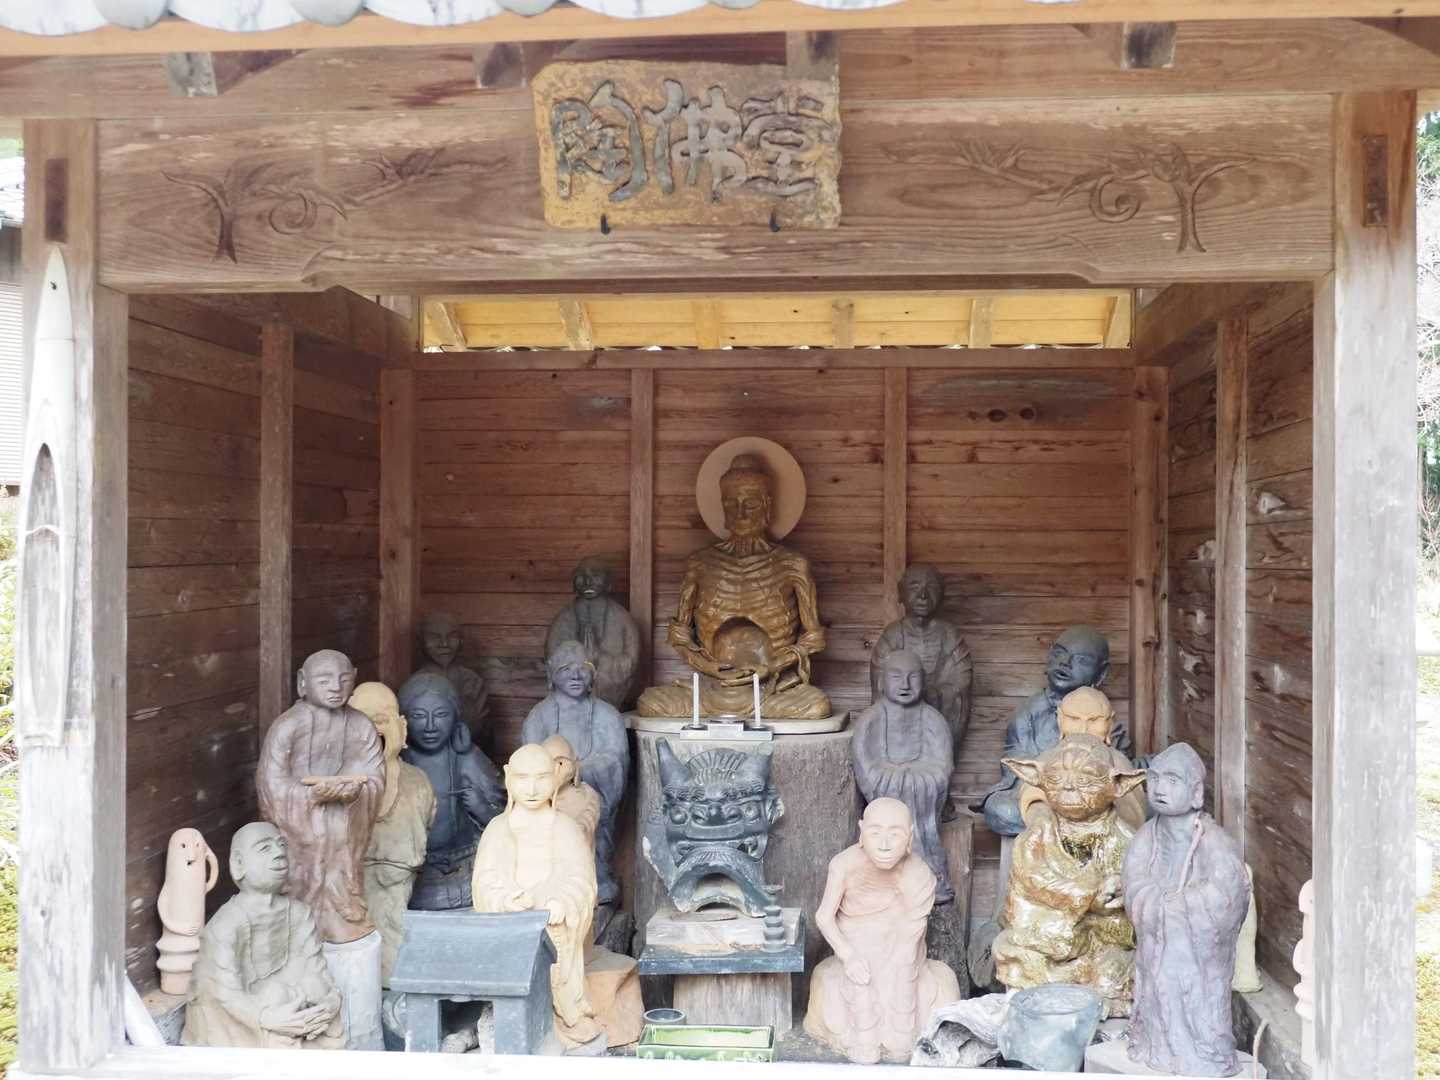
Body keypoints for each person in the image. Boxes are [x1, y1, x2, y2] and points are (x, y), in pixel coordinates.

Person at [637, 452, 829, 720]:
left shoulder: (792, 564)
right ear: (722, 508)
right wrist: (707, 667)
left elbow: (814, 638)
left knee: (817, 706)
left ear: (767, 506)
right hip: (711, 689)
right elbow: (680, 635)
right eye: (731, 503)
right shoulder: (700, 564)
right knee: (650, 703)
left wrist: (773, 665)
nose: (741, 512)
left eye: (750, 503)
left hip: (770, 689)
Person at [1123, 743, 1249, 1076]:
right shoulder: (1147, 836)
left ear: (1196, 793)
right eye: (1154, 778)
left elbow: (1226, 894)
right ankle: (1156, 1047)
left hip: (1196, 955)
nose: (1159, 788)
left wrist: (1179, 905)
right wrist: (1155, 902)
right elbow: (1133, 881)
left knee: (1198, 1004)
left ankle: (1204, 1056)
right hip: (1156, 945)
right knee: (1156, 992)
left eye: (1172, 780)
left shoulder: (1214, 840)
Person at [804, 799, 960, 1064]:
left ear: (910, 836)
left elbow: (913, 929)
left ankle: (901, 1037)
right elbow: (824, 916)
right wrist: (848, 955)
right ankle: (863, 1039)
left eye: (895, 834)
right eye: (875, 833)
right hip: (854, 938)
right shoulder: (843, 865)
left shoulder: (918, 872)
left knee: (901, 972)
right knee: (861, 973)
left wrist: (901, 962)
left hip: (901, 940)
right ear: (861, 831)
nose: (884, 844)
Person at [473, 744, 601, 1047]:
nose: (531, 789)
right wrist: (504, 900)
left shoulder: (566, 827)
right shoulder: (498, 828)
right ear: (508, 777)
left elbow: (581, 879)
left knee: (556, 974)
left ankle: (561, 1018)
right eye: (522, 778)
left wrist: (561, 902)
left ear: (556, 776)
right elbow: (485, 881)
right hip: (512, 926)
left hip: (555, 928)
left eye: (542, 778)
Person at [256, 649, 384, 944]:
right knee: (300, 883)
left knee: (342, 866)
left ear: (354, 678)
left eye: (344, 679)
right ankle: (301, 920)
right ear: (302, 682)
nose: (336, 687)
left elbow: (375, 777)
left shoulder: (362, 726)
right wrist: (311, 796)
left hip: (343, 830)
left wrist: (356, 792)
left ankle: (342, 917)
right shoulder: (287, 726)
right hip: (302, 831)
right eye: (324, 680)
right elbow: (270, 787)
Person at [183, 822, 344, 1049]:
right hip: (237, 1010)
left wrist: (330, 1002)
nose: (279, 853)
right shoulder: (225, 925)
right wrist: (266, 1018)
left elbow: (315, 969)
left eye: (281, 845)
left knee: (314, 988)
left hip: (283, 997)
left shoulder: (299, 913)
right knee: (276, 997)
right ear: (239, 864)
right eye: (264, 848)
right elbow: (223, 992)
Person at [976, 625, 1124, 836]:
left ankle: (1059, 828)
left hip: (1091, 801)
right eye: (1059, 654)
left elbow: (1120, 772)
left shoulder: (1105, 718)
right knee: (1000, 809)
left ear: (1101, 673)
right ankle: (1063, 827)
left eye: (1081, 660)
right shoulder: (1028, 712)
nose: (1065, 663)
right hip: (1041, 797)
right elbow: (1014, 767)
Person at [521, 641, 630, 906]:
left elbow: (616, 759)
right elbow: (530, 761)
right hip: (550, 798)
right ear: (550, 673)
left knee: (590, 817)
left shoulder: (608, 715)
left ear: (594, 673)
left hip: (593, 794)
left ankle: (597, 878)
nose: (576, 675)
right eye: (566, 668)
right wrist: (557, 781)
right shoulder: (538, 716)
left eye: (584, 668)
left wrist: (578, 773)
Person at [851, 649, 955, 902]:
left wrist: (916, 779)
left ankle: (924, 874)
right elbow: (864, 764)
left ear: (924, 682)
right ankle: (886, 879)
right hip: (884, 787)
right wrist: (893, 779)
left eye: (913, 677)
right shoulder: (870, 719)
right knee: (890, 812)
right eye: (896, 677)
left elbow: (943, 765)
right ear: (881, 682)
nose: (905, 685)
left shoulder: (933, 719)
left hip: (922, 793)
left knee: (913, 789)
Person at [351, 682, 437, 985]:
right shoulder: (338, 784)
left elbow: (427, 823)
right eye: (363, 720)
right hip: (351, 896)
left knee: (394, 947)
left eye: (381, 719)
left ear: (401, 727)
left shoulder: (417, 783)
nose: (373, 729)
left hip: (396, 892)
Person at [398, 672, 505, 910]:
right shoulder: (398, 762)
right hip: (411, 871)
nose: (430, 726)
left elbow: (504, 820)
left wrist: (480, 806)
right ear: (402, 719)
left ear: (456, 716)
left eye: (441, 715)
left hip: (463, 865)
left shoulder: (468, 759)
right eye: (418, 716)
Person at [870, 563, 973, 759]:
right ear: (901, 593)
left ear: (942, 594)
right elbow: (879, 689)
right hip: (900, 734)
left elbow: (962, 685)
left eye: (931, 587)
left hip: (939, 726)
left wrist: (934, 694)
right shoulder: (891, 636)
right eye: (914, 586)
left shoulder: (950, 636)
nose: (923, 595)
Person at [546, 557, 642, 709]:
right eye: (581, 575)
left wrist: (599, 657)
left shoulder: (623, 620)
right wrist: (577, 664)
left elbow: (631, 665)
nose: (588, 581)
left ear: (609, 583)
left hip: (610, 702)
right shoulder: (562, 620)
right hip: (569, 707)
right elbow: (552, 664)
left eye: (596, 575)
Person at [415, 611, 489, 750]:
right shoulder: (414, 685)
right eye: (434, 637)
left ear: (461, 640)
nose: (444, 644)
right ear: (421, 641)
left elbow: (480, 729)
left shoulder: (472, 682)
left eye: (452, 636)